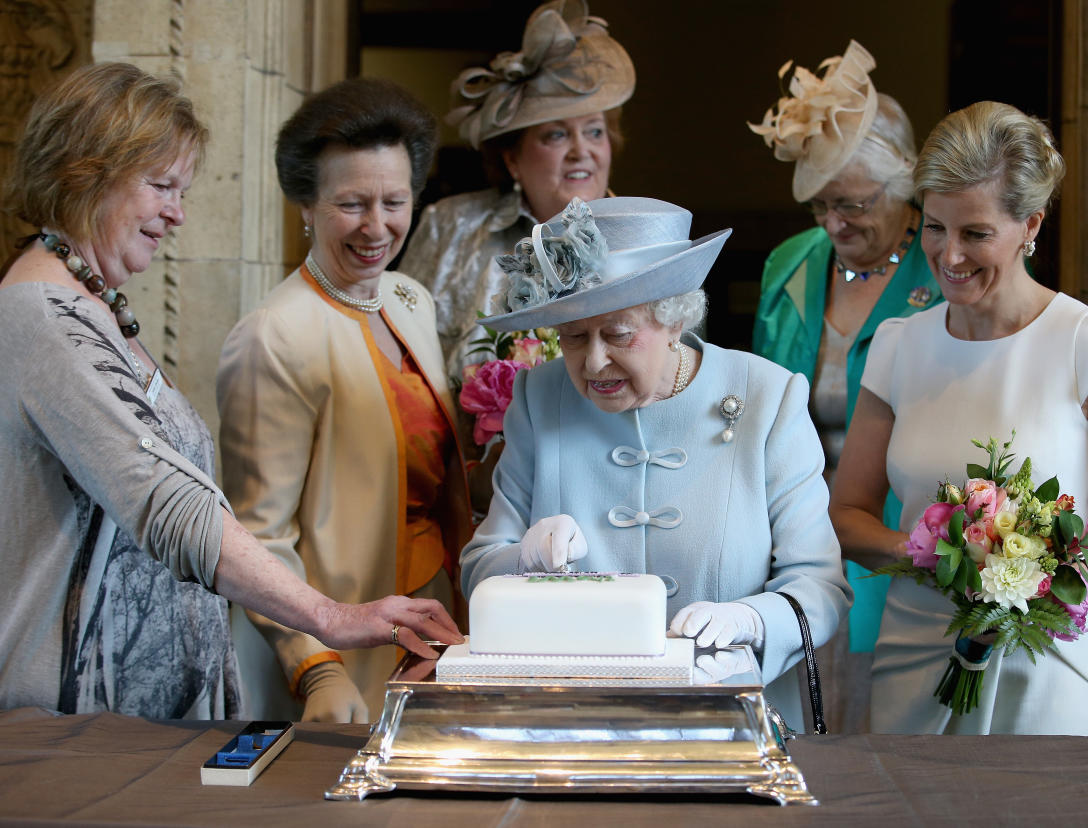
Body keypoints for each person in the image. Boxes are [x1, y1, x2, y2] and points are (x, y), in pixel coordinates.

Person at [0, 62, 461, 718]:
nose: (177, 213)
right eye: (161, 186)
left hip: (145, 729)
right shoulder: (41, 314)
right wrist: (326, 627)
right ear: (86, 172)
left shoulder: (94, 304)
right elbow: (168, 504)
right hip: (77, 729)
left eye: (394, 201)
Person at [829, 101, 1088, 735]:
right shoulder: (898, 346)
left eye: (975, 234)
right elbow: (847, 515)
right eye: (933, 227)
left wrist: (1064, 576)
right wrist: (927, 553)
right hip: (913, 655)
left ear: (1030, 224)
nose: (948, 255)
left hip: (1042, 664)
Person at [460, 196, 853, 732]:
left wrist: (753, 623)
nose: (593, 361)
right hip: (571, 728)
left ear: (674, 319)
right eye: (573, 336)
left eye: (618, 334)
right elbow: (478, 569)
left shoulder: (768, 397)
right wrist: (523, 558)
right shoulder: (538, 396)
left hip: (727, 725)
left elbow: (821, 586)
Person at [216, 78, 473, 723]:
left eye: (395, 201)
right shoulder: (273, 336)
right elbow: (257, 537)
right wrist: (315, 667)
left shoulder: (410, 300)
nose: (377, 226)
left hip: (437, 619)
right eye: (351, 204)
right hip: (343, 647)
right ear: (305, 203)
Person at [749, 40, 942, 732]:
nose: (835, 224)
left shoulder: (943, 273)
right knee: (795, 725)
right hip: (787, 536)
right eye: (820, 206)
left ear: (904, 185)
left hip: (896, 542)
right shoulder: (790, 264)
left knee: (876, 732)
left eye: (854, 204)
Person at [395, 0, 634, 382]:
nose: (581, 151)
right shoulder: (450, 224)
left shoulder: (642, 238)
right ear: (512, 159)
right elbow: (399, 357)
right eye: (556, 134)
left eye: (594, 131)